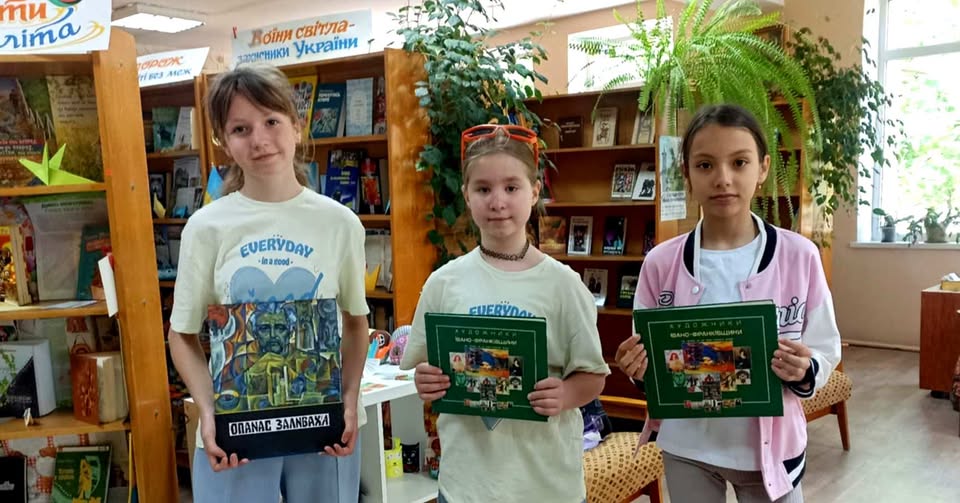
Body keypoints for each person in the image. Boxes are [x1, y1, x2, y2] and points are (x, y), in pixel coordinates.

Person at [615, 104, 841, 503]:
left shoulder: (799, 256)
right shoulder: (660, 263)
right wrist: (637, 368)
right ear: (686, 173)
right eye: (705, 165)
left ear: (763, 168)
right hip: (687, 447)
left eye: (739, 162)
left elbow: (825, 348)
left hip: (771, 453)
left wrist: (806, 368)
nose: (723, 179)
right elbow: (649, 358)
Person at [166, 63, 369, 503]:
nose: (259, 140)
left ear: (296, 126)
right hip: (236, 432)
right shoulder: (206, 227)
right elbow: (181, 335)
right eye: (240, 129)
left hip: (324, 428)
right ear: (224, 141)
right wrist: (209, 411)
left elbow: (355, 324)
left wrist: (350, 400)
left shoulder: (339, 223)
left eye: (271, 121)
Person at [399, 124, 609, 503]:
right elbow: (426, 369)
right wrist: (425, 381)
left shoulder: (563, 285)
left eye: (512, 188)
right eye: (483, 189)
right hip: (467, 486)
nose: (497, 202)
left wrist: (565, 394)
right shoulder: (444, 283)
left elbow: (593, 377)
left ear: (535, 191)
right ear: (466, 195)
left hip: (546, 486)